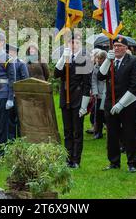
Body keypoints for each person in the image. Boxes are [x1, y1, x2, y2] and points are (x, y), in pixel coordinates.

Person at [98, 36, 136, 172]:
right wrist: (107, 61)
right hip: (110, 103)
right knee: (112, 134)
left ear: (126, 48)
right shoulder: (110, 61)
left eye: (120, 46)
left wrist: (121, 104)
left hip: (128, 103)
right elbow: (100, 76)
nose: (116, 48)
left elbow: (135, 85)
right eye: (115, 45)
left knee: (129, 133)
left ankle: (132, 163)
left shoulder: (133, 61)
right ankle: (114, 162)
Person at [54, 31, 92, 168]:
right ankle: (67, 158)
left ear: (80, 44)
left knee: (77, 131)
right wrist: (63, 60)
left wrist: (84, 105)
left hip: (77, 98)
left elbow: (87, 85)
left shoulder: (84, 59)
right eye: (71, 42)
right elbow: (56, 74)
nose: (73, 45)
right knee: (67, 131)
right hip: (65, 98)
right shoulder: (65, 58)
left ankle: (76, 160)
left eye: (76, 42)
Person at [6, 44, 29, 139]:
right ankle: (11, 141)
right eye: (8, 51)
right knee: (10, 121)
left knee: (20, 120)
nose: (9, 53)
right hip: (9, 95)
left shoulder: (21, 64)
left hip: (18, 96)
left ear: (15, 53)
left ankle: (21, 140)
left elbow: (25, 80)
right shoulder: (6, 63)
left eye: (11, 51)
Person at [91, 50, 107, 139]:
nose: (99, 60)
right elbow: (94, 80)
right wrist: (95, 92)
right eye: (98, 58)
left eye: (101, 58)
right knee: (98, 115)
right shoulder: (96, 67)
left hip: (107, 93)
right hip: (99, 94)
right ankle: (98, 132)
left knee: (108, 113)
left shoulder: (110, 65)